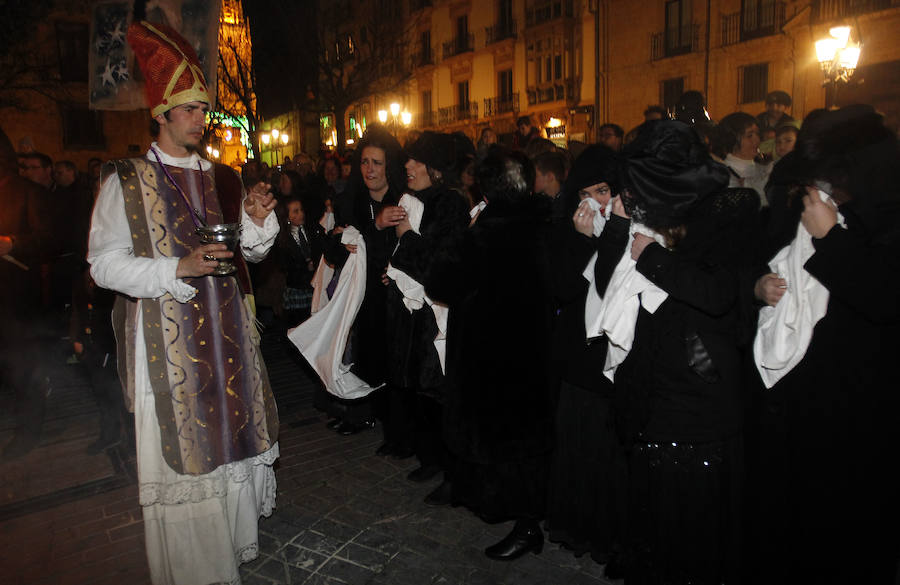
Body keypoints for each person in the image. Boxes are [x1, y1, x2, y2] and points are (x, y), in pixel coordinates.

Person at [87, 22, 280, 584]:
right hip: (168, 345)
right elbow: (103, 264)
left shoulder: (224, 177)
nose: (201, 119)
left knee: (234, 443)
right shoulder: (127, 180)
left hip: (230, 340)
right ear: (162, 113)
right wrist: (176, 268)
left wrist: (256, 221)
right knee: (188, 453)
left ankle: (232, 547)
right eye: (190, 109)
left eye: (203, 109)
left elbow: (249, 254)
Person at [749, 105, 900, 585]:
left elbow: (882, 297)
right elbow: (760, 259)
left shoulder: (886, 217)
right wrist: (758, 286)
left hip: (856, 412)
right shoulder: (804, 206)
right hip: (798, 403)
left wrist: (831, 237)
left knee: (842, 528)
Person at [605, 120, 758, 583]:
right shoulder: (650, 212)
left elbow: (717, 293)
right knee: (656, 512)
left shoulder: (727, 211)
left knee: (695, 521)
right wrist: (618, 231)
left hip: (698, 391)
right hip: (653, 383)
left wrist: (653, 256)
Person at [426, 149, 556, 561]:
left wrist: (462, 235)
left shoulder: (484, 234)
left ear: (485, 189)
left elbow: (439, 282)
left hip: (491, 357)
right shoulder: (547, 224)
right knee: (528, 440)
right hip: (536, 354)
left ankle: (524, 523)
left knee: (504, 442)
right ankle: (528, 519)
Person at [544, 144, 628, 575]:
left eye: (604, 191)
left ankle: (609, 534)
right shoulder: (567, 229)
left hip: (612, 357)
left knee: (608, 451)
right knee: (577, 445)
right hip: (577, 356)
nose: (595, 202)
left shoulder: (630, 229)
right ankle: (576, 525)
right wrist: (580, 241)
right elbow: (561, 287)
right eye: (587, 192)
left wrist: (610, 236)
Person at [385, 131, 470, 493]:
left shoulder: (450, 204)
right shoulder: (415, 199)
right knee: (421, 392)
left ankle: (453, 473)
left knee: (440, 394)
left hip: (440, 317)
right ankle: (431, 458)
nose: (407, 165)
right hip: (417, 317)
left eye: (416, 160)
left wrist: (406, 238)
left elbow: (440, 266)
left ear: (434, 168)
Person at [318, 126, 408, 439]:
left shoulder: (403, 201)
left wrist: (393, 267)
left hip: (395, 300)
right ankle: (366, 414)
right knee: (364, 359)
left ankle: (396, 428)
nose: (369, 169)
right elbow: (332, 250)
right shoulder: (350, 202)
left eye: (377, 163)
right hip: (362, 298)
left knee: (395, 364)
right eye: (365, 162)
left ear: (389, 166)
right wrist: (350, 239)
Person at [714, 112, 772, 203]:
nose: (757, 140)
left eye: (757, 134)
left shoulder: (765, 168)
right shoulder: (723, 176)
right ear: (731, 140)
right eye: (749, 136)